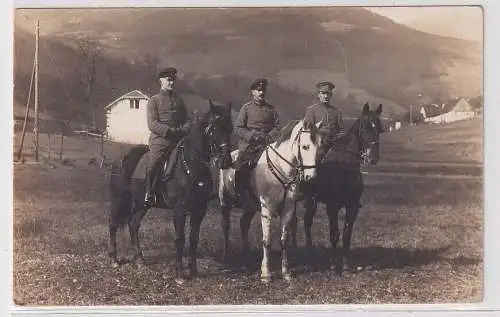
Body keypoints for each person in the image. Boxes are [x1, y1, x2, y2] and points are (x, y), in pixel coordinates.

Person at [144, 67, 192, 209]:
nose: (171, 83)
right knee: (154, 163)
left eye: (173, 80)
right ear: (161, 81)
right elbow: (152, 124)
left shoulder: (179, 101)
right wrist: (169, 131)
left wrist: (183, 130)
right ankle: (149, 193)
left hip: (179, 139)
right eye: (168, 80)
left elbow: (187, 120)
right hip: (161, 140)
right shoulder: (154, 101)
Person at [233, 78, 280, 205]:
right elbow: (238, 128)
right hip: (250, 146)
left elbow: (278, 127)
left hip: (267, 144)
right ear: (252, 92)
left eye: (263, 90)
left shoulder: (271, 109)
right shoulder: (246, 108)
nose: (261, 93)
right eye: (258, 90)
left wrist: (268, 137)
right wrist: (252, 136)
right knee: (241, 168)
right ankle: (240, 194)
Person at [303, 80, 345, 162]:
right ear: (318, 95)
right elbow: (307, 131)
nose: (326, 96)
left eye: (328, 94)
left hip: (333, 148)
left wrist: (336, 138)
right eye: (323, 93)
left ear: (331, 95)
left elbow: (342, 131)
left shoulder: (336, 112)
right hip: (316, 147)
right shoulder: (312, 110)